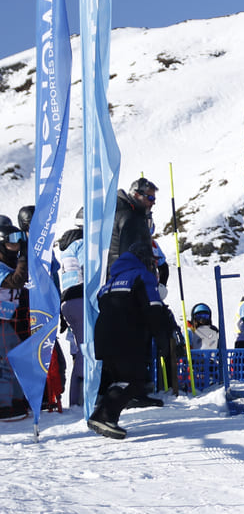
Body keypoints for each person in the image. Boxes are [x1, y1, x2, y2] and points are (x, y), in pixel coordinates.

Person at [87, 244, 175, 439]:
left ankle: (103, 416)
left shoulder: (111, 282)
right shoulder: (142, 276)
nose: (154, 265)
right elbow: (152, 308)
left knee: (122, 379)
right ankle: (105, 416)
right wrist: (162, 338)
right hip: (126, 338)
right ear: (143, 259)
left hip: (104, 338)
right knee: (135, 381)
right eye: (152, 261)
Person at [57, 208, 86, 406]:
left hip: (68, 300)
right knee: (87, 350)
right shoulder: (84, 243)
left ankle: (76, 399)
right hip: (81, 296)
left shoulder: (68, 245)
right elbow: (89, 270)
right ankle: (82, 401)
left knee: (78, 350)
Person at [0, 223, 30, 417]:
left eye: (20, 239)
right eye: (12, 240)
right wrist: (25, 256)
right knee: (3, 363)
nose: (17, 244)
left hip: (8, 320)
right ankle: (4, 405)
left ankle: (17, 400)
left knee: (15, 360)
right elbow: (16, 280)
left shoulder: (10, 264)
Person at [107, 177, 156, 275]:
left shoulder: (125, 213)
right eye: (150, 198)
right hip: (130, 280)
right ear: (137, 195)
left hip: (119, 277)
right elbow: (130, 256)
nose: (153, 202)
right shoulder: (130, 217)